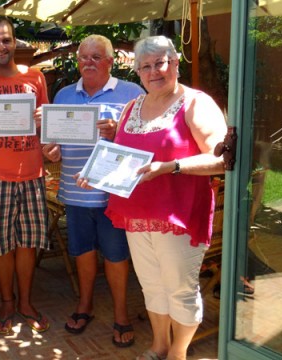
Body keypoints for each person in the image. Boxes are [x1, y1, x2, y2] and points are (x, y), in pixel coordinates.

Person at [78, 36, 227, 360]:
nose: (153, 71)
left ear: (174, 63)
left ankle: (178, 352)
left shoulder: (195, 104)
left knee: (180, 291)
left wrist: (171, 167)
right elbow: (121, 160)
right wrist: (96, 177)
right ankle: (159, 345)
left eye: (160, 63)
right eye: (145, 66)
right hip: (135, 215)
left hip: (179, 218)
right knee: (152, 286)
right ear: (138, 72)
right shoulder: (133, 107)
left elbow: (222, 160)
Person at [0, 16, 59, 335]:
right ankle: (6, 300)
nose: (1, 46)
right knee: (1, 244)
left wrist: (46, 126)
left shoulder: (35, 77)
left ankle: (26, 302)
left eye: (6, 40)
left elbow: (48, 127)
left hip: (31, 174)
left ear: (15, 42)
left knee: (28, 242)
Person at [47, 35, 144, 347]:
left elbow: (145, 143)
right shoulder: (62, 95)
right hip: (74, 194)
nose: (88, 62)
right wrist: (50, 152)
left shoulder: (132, 93)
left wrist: (118, 134)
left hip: (112, 194)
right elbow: (51, 144)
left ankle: (121, 314)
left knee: (116, 255)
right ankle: (84, 305)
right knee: (82, 251)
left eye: (96, 57)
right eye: (83, 57)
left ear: (110, 62)